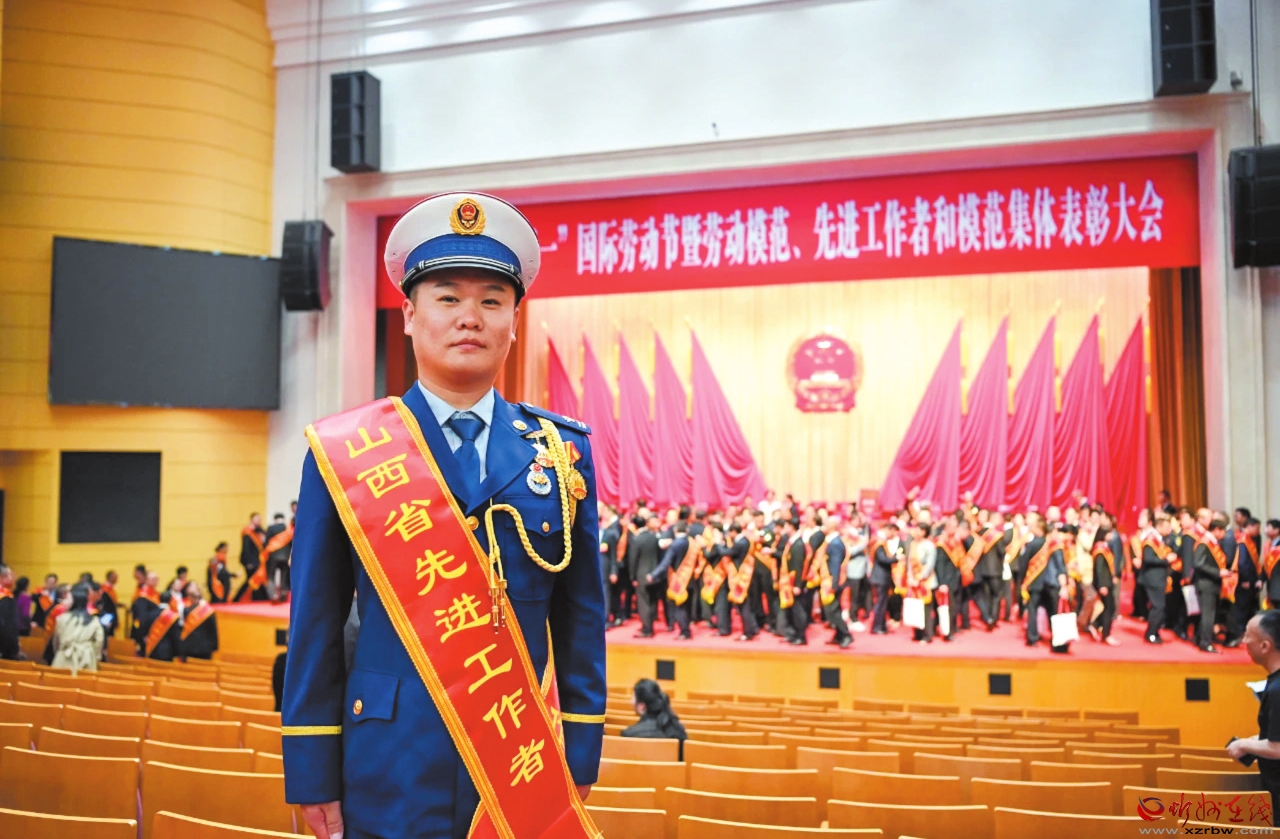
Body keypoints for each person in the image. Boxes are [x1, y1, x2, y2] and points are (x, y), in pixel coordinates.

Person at [283, 193, 606, 839]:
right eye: (448, 297)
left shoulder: (560, 452)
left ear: (514, 320)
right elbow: (315, 621)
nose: (470, 318)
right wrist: (312, 770)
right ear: (409, 315)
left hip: (521, 759)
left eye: (492, 301)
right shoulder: (347, 451)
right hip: (386, 763)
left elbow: (581, 620)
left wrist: (579, 749)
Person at [1227, 611, 1280, 808]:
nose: (1244, 641)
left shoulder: (1277, 690)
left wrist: (1244, 745)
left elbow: (1278, 748)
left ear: (1265, 646)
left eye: (1248, 635)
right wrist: (1258, 740)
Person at [1191, 518, 1234, 653]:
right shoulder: (1205, 543)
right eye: (1223, 531)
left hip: (1211, 583)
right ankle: (1206, 643)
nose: (1224, 535)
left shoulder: (1212, 542)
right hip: (1206, 583)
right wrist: (1218, 572)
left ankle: (1200, 638)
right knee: (1208, 615)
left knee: (1208, 614)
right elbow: (1198, 563)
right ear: (1216, 530)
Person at [50, 583, 103, 673]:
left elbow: (56, 642)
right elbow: (99, 642)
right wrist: (94, 655)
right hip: (86, 661)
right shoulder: (94, 621)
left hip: (63, 661)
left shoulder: (62, 619)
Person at [631, 514, 664, 638]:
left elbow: (633, 559)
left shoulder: (637, 539)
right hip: (655, 573)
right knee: (653, 601)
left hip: (641, 574)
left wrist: (633, 576)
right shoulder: (654, 537)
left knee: (643, 602)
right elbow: (660, 556)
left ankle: (647, 629)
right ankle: (651, 624)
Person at [620, 679, 686, 741]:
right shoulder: (679, 731)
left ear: (641, 706)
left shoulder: (629, 735)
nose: (631, 702)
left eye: (633, 698)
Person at [180, 582, 219, 659]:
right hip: (205, 648)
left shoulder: (185, 611)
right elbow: (213, 630)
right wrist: (215, 646)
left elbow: (182, 628)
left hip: (188, 647)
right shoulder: (209, 611)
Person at [235, 512, 268, 602]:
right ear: (252, 520)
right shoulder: (248, 532)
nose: (259, 521)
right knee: (251, 579)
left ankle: (260, 598)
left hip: (257, 560)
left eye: (259, 519)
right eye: (256, 519)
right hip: (250, 561)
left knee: (255, 579)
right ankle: (237, 598)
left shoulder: (260, 531)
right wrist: (248, 562)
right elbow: (246, 548)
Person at [263, 512, 295, 601]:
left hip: (273, 557)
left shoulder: (271, 528)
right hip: (285, 556)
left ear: (275, 519)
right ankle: (283, 593)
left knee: (271, 576)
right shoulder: (287, 528)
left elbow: (266, 543)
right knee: (284, 576)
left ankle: (273, 595)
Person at [0, 565, 22, 660]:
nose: (13, 578)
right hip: (4, 650)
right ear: (2, 578)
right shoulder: (6, 598)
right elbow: (8, 627)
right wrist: (14, 650)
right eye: (10, 575)